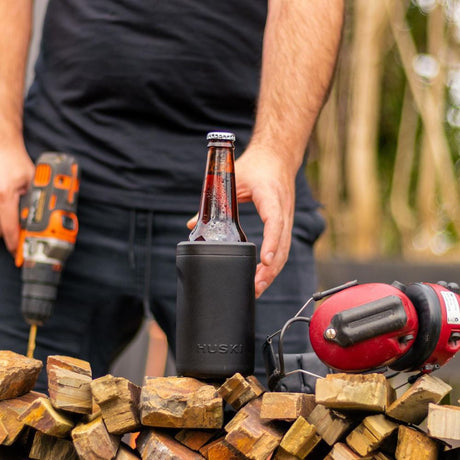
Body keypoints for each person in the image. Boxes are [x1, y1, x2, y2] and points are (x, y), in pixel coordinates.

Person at [0, 1, 344, 390]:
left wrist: (278, 151)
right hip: (62, 186)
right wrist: (2, 139)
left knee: (278, 429)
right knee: (19, 420)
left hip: (242, 190)